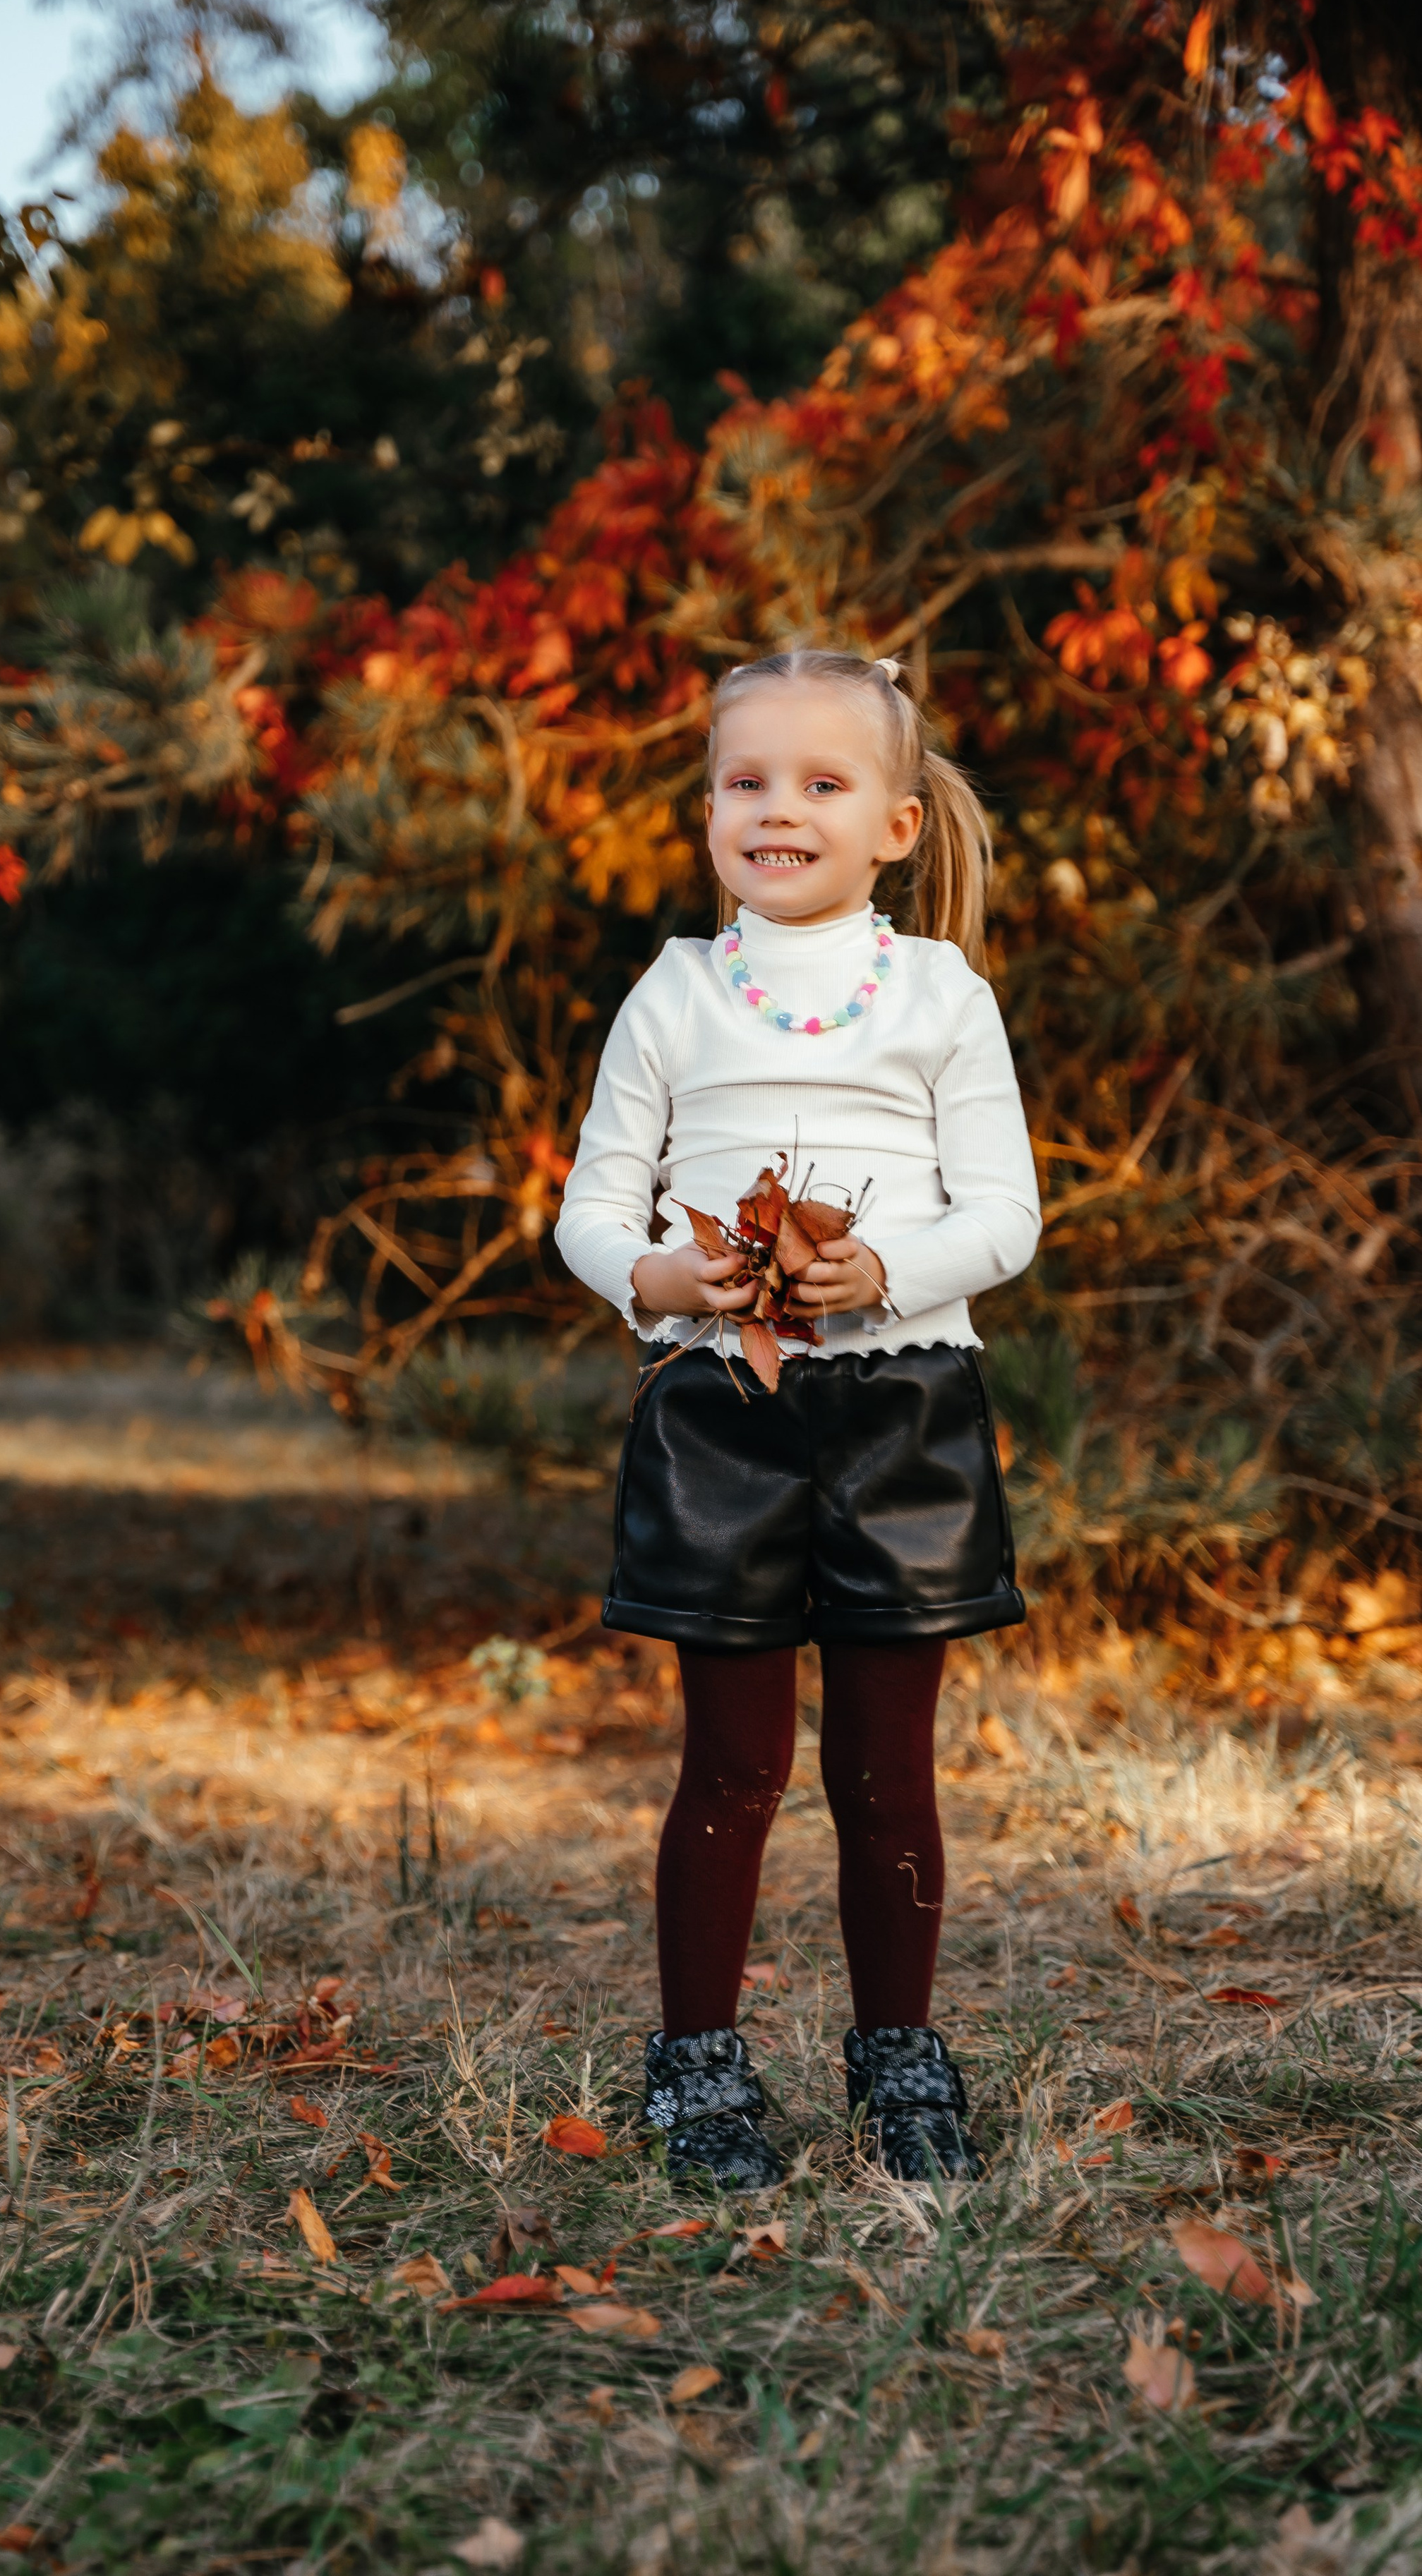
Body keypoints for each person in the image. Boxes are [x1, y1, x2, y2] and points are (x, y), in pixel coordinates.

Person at [555, 648, 1040, 2188]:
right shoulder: (675, 992)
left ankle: (898, 2056)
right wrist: (661, 1274)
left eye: (820, 784)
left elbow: (1008, 1215)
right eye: (745, 781)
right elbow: (586, 1210)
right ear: (706, 810)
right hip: (717, 1411)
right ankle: (694, 2063)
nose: (778, 810)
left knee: (886, 1771)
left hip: (903, 1415)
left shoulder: (938, 992)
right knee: (731, 1762)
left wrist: (882, 1266)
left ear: (894, 824)